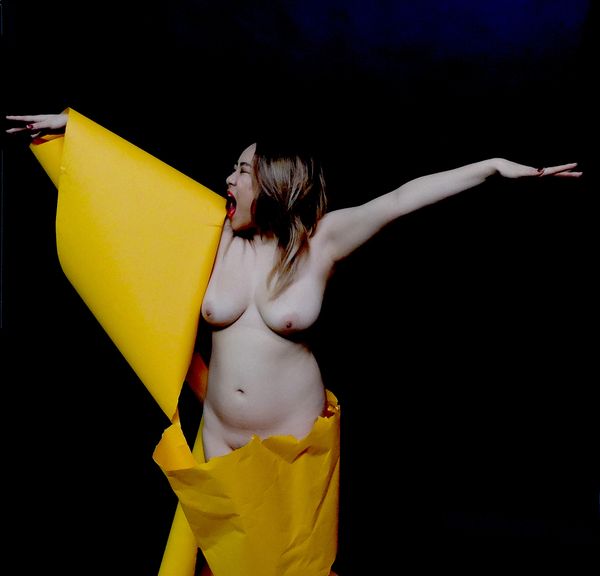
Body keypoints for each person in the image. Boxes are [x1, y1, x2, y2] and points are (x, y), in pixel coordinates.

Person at [5, 112, 582, 576]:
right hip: (222, 440)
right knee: (218, 566)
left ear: (276, 181)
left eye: (242, 170)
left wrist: (492, 168)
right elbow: (132, 198)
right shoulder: (212, 234)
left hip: (294, 449)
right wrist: (74, 136)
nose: (229, 179)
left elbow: (401, 198)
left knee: (292, 569)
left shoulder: (320, 243)